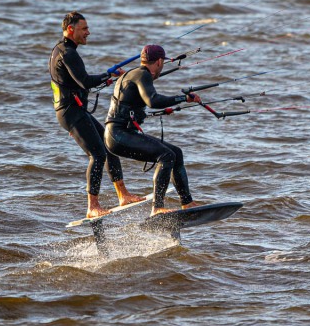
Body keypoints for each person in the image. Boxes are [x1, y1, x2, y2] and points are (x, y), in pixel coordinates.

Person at [49, 11, 142, 218]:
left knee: (109, 147)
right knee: (98, 154)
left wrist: (106, 78)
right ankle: (92, 206)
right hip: (70, 113)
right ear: (71, 29)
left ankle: (123, 195)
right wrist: (108, 75)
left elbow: (76, 82)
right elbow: (84, 81)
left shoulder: (62, 49)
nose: (88, 33)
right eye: (84, 29)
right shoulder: (67, 53)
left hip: (74, 111)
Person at [104, 44, 201, 215]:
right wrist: (183, 98)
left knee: (176, 152)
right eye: (162, 62)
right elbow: (153, 101)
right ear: (158, 61)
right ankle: (157, 207)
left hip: (117, 134)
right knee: (166, 156)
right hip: (119, 134)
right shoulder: (143, 75)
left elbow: (133, 105)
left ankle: (187, 202)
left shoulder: (132, 73)